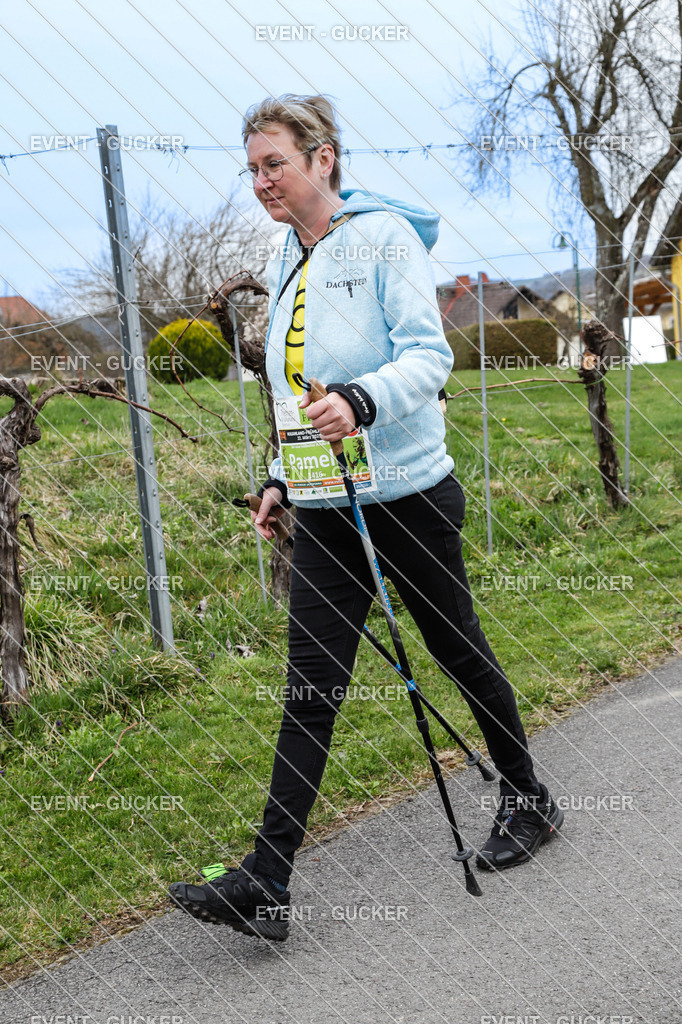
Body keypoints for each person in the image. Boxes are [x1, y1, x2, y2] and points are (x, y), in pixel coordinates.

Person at [169, 94, 563, 940]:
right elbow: (290, 384)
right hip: (326, 505)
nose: (262, 182)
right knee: (310, 689)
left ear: (325, 158)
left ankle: (530, 800)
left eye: (275, 163)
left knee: (456, 649)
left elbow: (430, 355)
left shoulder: (383, 239)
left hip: (410, 495)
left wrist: (361, 399)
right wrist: (280, 474)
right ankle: (267, 881)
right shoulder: (285, 253)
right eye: (253, 169)